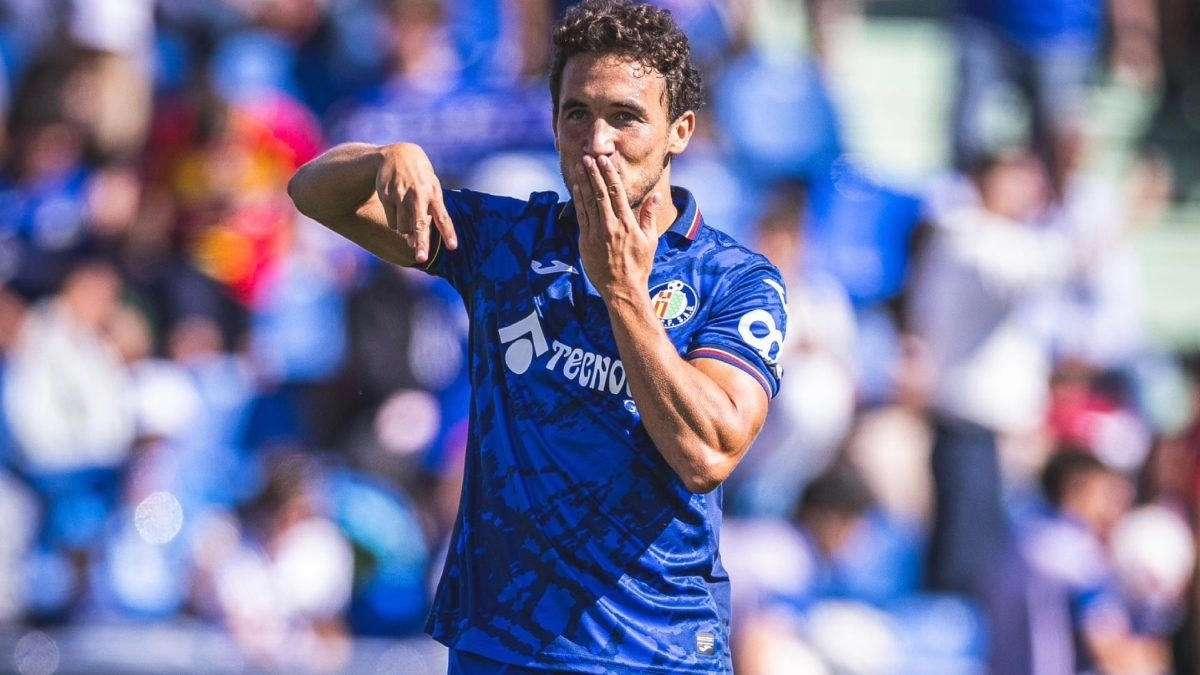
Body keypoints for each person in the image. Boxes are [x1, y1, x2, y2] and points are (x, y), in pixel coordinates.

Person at [286, 1, 788, 673]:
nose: (597, 140)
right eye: (576, 112)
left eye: (626, 116)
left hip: (652, 652)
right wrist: (383, 157)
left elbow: (707, 452)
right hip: (502, 645)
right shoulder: (506, 243)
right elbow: (313, 193)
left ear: (680, 132)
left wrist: (622, 292)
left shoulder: (735, 280)